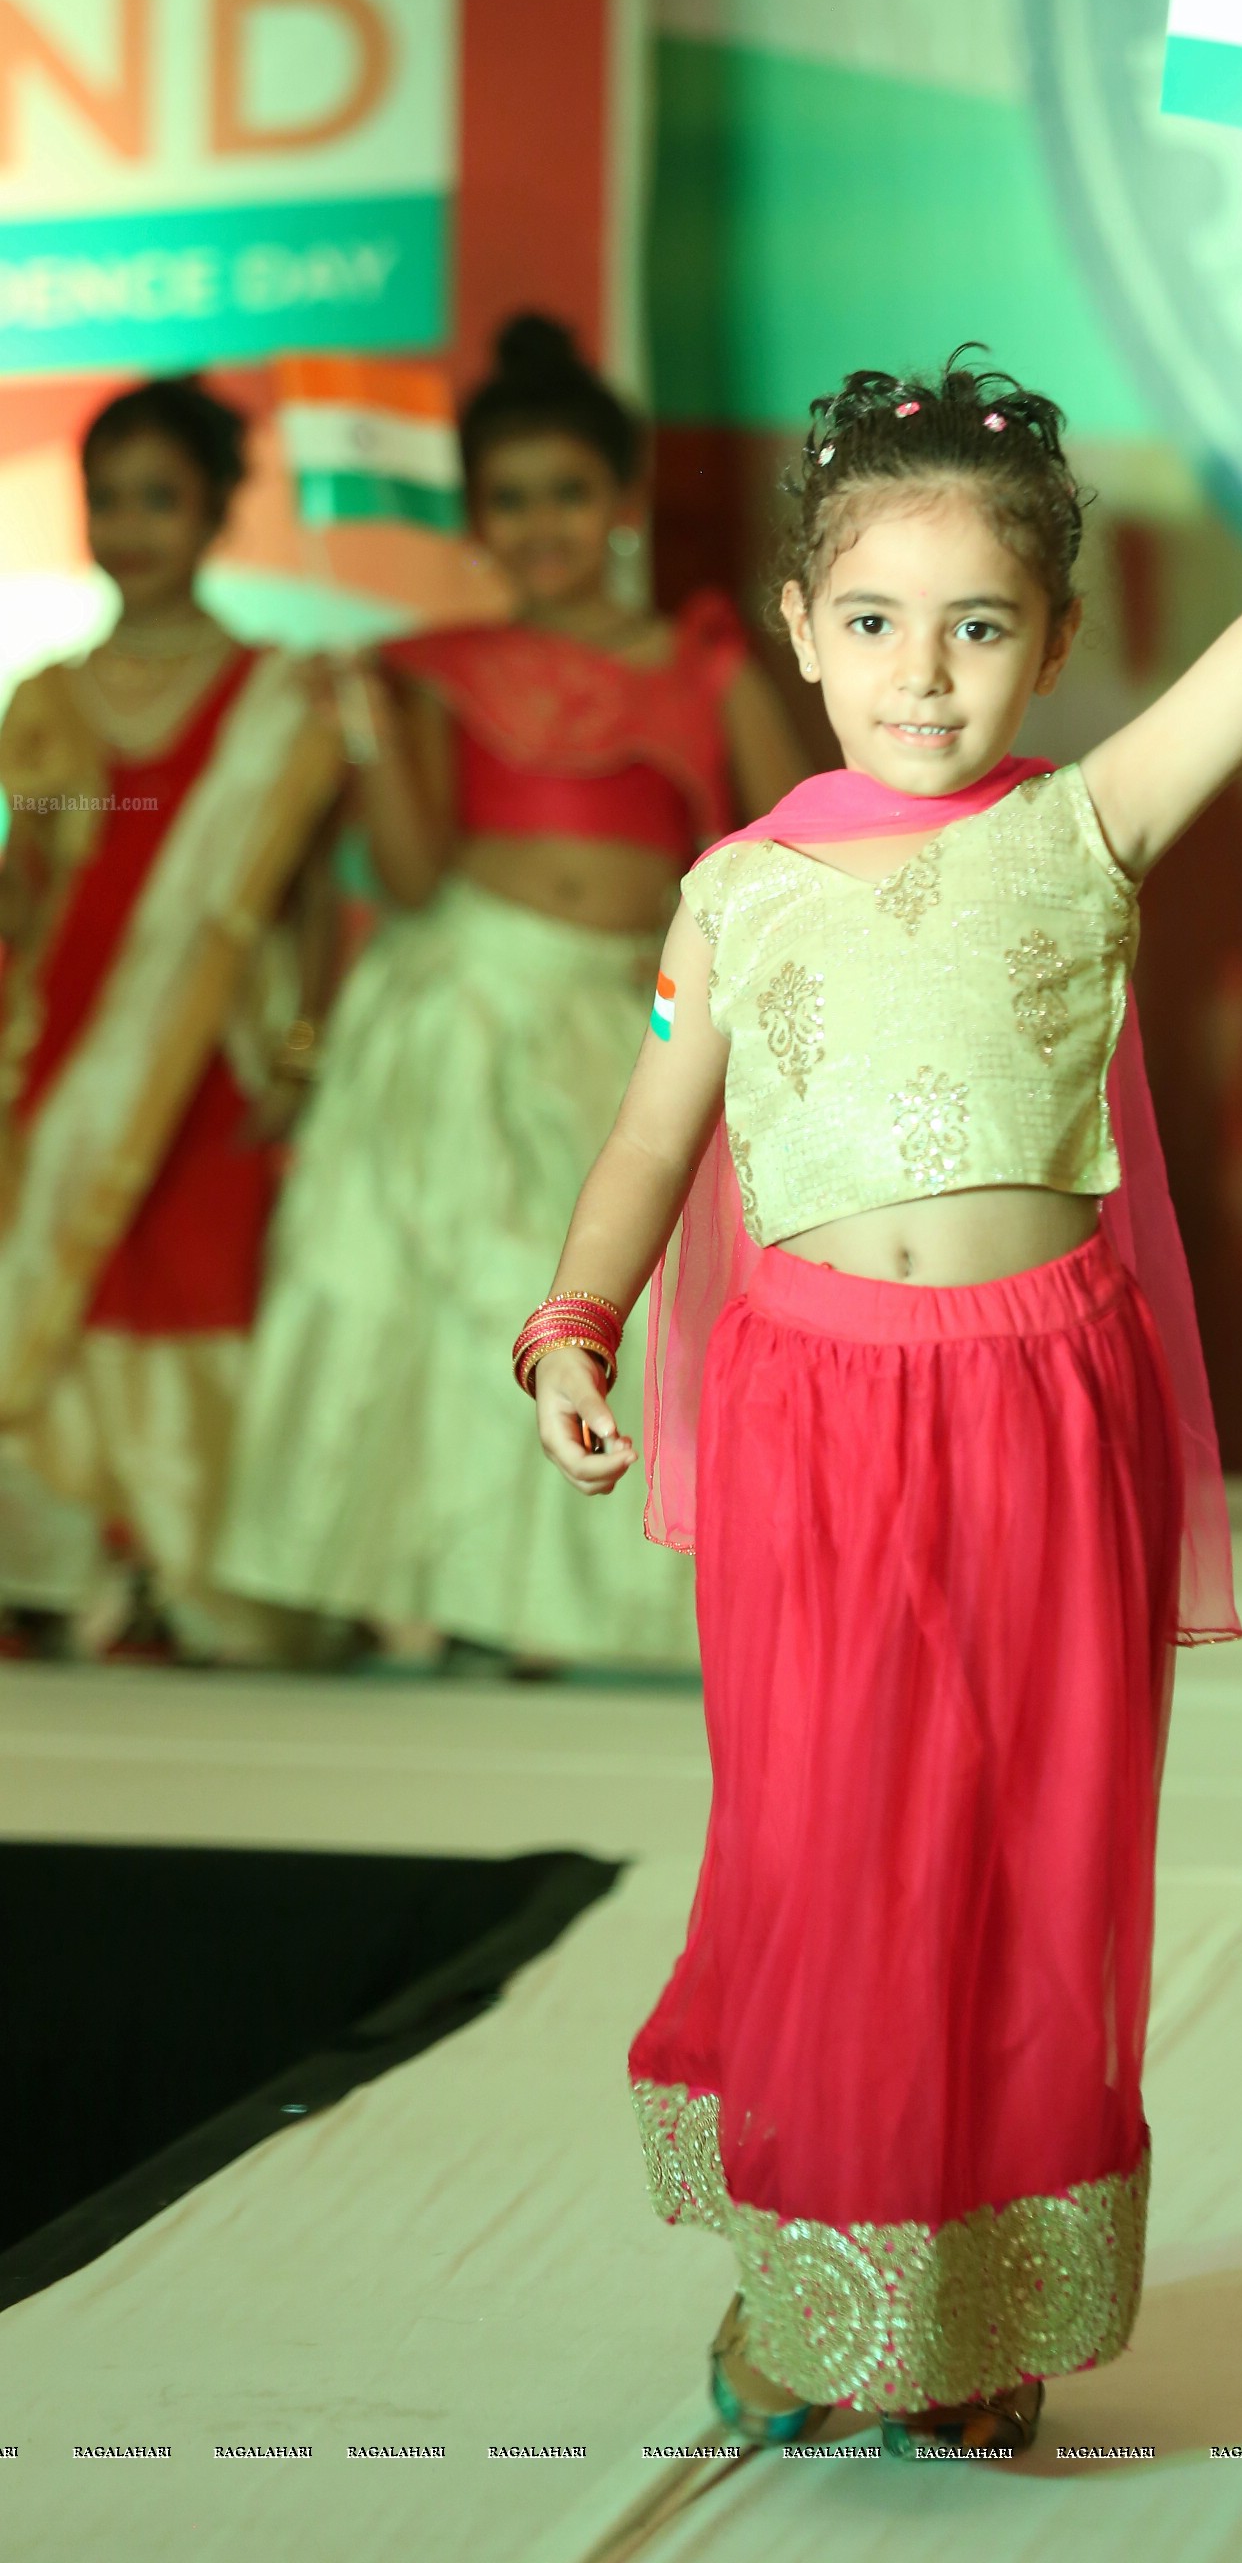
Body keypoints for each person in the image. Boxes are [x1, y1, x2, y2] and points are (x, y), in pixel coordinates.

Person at [514, 201, 1242, 2454]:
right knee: (831, 1845)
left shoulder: (1090, 826)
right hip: (809, 1424)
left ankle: (974, 2314)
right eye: (874, 619)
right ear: (795, 629)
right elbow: (646, 1148)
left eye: (979, 625)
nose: (922, 669)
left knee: (1021, 1849)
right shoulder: (738, 890)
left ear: (1057, 638)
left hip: (1039, 1408)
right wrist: (579, 1320)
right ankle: (828, 2280)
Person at [212, 315, 807, 1672]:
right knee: (440, 1297)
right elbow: (413, 876)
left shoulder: (701, 667)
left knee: (615, 1294)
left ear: (619, 503)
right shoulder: (434, 670)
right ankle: (432, 1597)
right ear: (476, 517)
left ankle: (578, 1606)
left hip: (631, 1015)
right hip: (460, 1000)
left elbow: (783, 862)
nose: (541, 523)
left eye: (568, 493)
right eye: (510, 499)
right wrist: (366, 731)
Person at [0, 377, 345, 1665]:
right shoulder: (47, 697)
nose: (131, 526)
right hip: (67, 1044)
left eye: (160, 499)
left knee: (197, 1293)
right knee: (67, 1295)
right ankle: (59, 1575)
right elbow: (27, 892)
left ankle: (196, 1587)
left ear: (213, 515)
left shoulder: (279, 698)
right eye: (108, 500)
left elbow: (309, 898)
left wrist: (305, 1045)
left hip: (216, 1047)